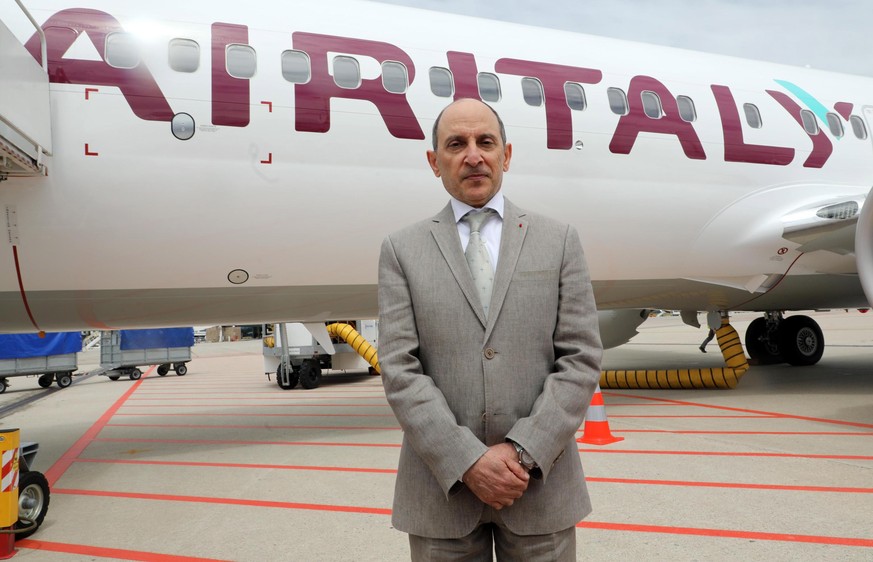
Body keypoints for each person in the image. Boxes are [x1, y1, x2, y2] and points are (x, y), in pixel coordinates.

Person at [377, 98, 603, 561]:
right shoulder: (402, 250)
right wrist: (468, 460)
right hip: (443, 494)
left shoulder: (558, 240)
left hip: (539, 486)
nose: (473, 155)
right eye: (456, 144)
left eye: (486, 142)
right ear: (433, 161)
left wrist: (521, 453)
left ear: (507, 154)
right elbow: (400, 368)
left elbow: (580, 357)